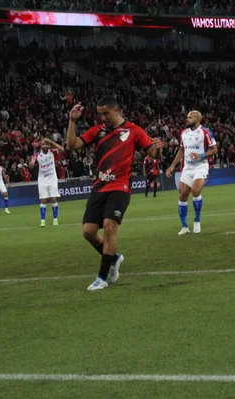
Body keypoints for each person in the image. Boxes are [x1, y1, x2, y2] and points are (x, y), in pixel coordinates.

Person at [66, 96, 163, 291]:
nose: (103, 118)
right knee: (88, 232)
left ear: (116, 110)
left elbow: (153, 154)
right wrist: (72, 121)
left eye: (106, 114)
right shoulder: (97, 131)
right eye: (100, 114)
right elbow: (72, 145)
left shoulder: (134, 130)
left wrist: (159, 149)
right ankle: (114, 258)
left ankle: (102, 277)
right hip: (100, 186)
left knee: (110, 227)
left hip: (120, 187)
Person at [166, 110, 217, 235]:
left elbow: (214, 149)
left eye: (190, 118)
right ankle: (184, 227)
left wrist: (201, 155)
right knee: (183, 195)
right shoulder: (184, 133)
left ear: (197, 119)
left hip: (201, 166)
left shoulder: (205, 132)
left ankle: (197, 221)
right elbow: (181, 150)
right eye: (187, 117)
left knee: (195, 190)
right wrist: (172, 166)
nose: (187, 119)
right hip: (187, 168)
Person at [29, 138, 65, 227]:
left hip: (52, 179)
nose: (45, 146)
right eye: (43, 144)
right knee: (43, 200)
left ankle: (55, 220)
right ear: (41, 146)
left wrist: (51, 142)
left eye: (46, 144)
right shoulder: (37, 155)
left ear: (48, 145)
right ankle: (42, 221)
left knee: (53, 198)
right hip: (42, 180)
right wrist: (31, 163)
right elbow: (30, 166)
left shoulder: (53, 152)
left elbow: (62, 149)